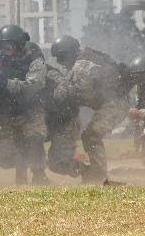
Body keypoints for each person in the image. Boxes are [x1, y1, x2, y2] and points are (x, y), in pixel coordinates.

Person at [51, 37, 130, 183]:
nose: (60, 62)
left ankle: (99, 176)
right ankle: (97, 174)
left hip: (116, 103)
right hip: (114, 101)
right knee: (90, 135)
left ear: (69, 54)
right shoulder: (86, 60)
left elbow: (82, 94)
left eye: (61, 58)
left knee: (91, 135)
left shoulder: (80, 66)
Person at [0, 25, 49, 185]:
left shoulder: (34, 57)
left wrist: (7, 83)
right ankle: (20, 169)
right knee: (4, 158)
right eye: (2, 46)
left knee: (33, 139)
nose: (5, 50)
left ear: (18, 44)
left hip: (31, 109)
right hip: (7, 111)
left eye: (9, 46)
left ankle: (39, 175)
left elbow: (33, 85)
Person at [44, 36, 84, 179]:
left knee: (59, 164)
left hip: (65, 121)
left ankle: (88, 170)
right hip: (49, 119)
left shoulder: (77, 69)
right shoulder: (50, 69)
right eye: (74, 52)